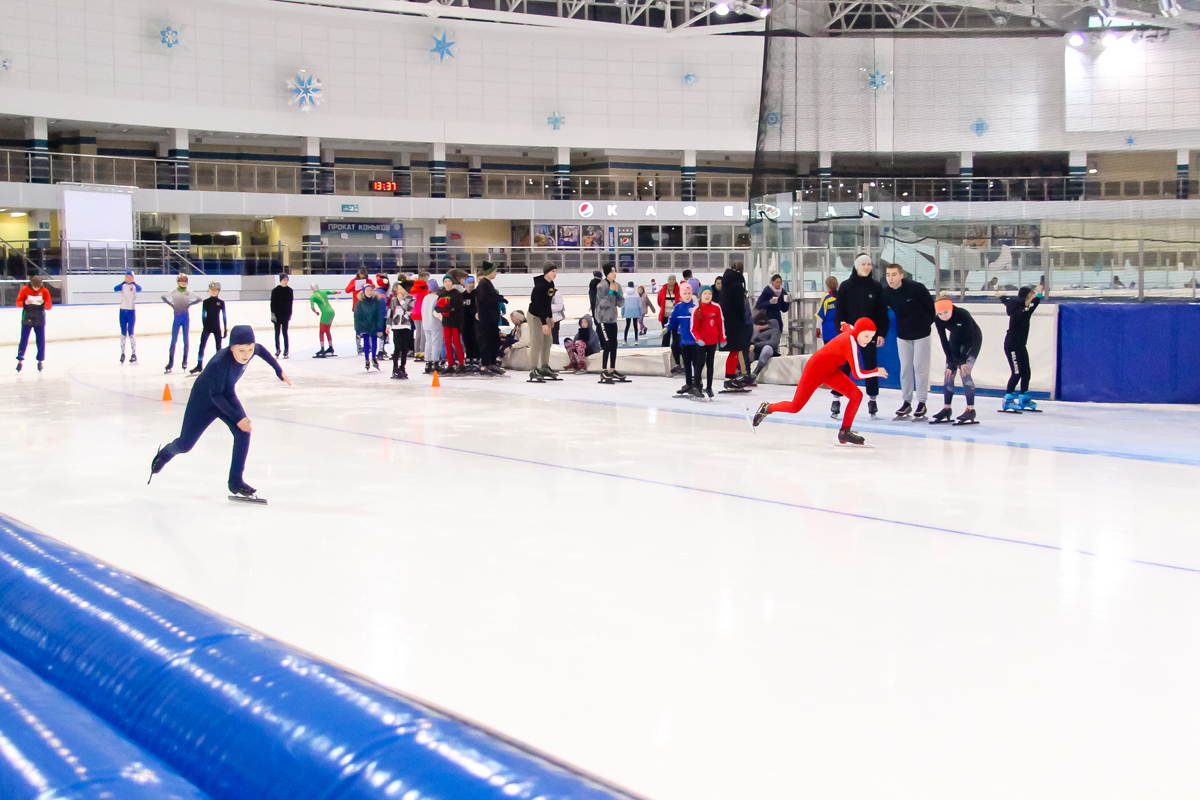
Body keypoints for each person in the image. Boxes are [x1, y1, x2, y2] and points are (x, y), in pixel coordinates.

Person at [149, 325, 291, 500]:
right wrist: (238, 418)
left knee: (243, 433)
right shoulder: (219, 363)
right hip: (203, 401)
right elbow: (215, 396)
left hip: (226, 394)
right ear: (231, 348)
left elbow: (262, 351)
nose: (246, 355)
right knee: (185, 445)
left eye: (249, 349)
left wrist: (279, 371)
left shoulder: (252, 349)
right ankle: (164, 454)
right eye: (241, 350)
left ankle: (235, 482)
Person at [751, 317, 888, 447]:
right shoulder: (850, 342)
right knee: (795, 407)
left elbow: (850, 327)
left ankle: (844, 432)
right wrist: (876, 371)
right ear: (858, 333)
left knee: (856, 395)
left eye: (871, 337)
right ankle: (767, 408)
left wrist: (845, 325)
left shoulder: (853, 332)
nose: (868, 340)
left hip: (830, 371)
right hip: (815, 371)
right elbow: (858, 374)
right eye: (866, 336)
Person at [835, 254, 889, 419]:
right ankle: (836, 398)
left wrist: (881, 333)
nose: (866, 267)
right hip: (849, 334)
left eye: (869, 264)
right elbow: (839, 311)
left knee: (870, 365)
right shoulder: (845, 286)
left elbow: (882, 313)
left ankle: (872, 399)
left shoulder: (876, 287)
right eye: (863, 264)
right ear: (856, 266)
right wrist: (841, 332)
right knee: (845, 365)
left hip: (869, 335)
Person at [883, 264, 936, 420]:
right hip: (903, 335)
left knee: (920, 368)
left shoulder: (917, 288)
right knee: (905, 369)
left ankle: (922, 402)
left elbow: (930, 309)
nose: (890, 278)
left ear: (901, 275)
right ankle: (906, 401)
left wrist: (924, 325)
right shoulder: (886, 292)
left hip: (921, 334)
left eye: (893, 275)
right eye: (888, 275)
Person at [932, 296, 983, 425]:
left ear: (951, 309)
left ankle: (970, 410)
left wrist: (962, 361)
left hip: (972, 341)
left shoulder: (963, 314)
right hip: (955, 340)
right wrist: (950, 361)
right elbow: (944, 341)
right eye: (940, 314)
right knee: (949, 373)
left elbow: (971, 337)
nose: (943, 316)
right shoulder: (938, 319)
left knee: (964, 372)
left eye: (946, 312)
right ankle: (946, 408)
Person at [1000, 284, 1043, 412]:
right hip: (1012, 345)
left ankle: (1024, 398)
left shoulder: (1023, 307)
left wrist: (1001, 296)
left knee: (1026, 372)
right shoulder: (1020, 311)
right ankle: (1008, 399)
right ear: (1026, 298)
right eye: (1032, 296)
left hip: (1021, 345)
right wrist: (1038, 294)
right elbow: (1032, 305)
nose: (1033, 299)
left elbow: (1006, 300)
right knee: (1017, 372)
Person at [815, 276, 844, 416]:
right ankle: (837, 380)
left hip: (828, 331)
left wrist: (817, 328)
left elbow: (820, 315)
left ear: (827, 285)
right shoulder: (841, 298)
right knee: (838, 358)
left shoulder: (826, 298)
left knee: (828, 358)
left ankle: (829, 380)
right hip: (839, 331)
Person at [690, 286, 725, 399]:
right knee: (700, 363)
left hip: (712, 341)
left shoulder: (716, 307)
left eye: (709, 294)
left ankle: (709, 387)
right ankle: (696, 387)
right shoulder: (696, 310)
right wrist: (698, 339)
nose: (707, 296)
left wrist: (723, 338)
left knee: (710, 364)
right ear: (700, 295)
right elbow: (693, 328)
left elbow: (720, 323)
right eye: (705, 293)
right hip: (701, 342)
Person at [719, 262, 750, 389]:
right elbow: (739, 306)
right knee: (735, 350)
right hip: (735, 322)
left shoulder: (726, 283)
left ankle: (730, 376)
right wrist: (742, 320)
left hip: (727, 321)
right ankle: (729, 377)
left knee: (734, 351)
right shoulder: (737, 285)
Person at [162, 273, 201, 374]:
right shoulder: (173, 292)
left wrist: (190, 304)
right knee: (174, 340)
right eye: (181, 281)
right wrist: (171, 304)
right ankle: (170, 362)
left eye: (185, 281)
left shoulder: (189, 292)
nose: (183, 283)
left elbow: (199, 299)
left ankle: (184, 361)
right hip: (177, 318)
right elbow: (163, 296)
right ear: (178, 282)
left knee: (186, 340)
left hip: (185, 318)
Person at [664, 283, 697, 395]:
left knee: (696, 363)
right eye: (685, 293)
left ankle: (697, 384)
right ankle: (688, 384)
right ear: (681, 295)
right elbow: (673, 320)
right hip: (684, 340)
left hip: (696, 340)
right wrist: (667, 328)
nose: (687, 295)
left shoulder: (696, 307)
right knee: (686, 363)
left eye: (689, 293)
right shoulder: (678, 307)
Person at [526, 265, 558, 382]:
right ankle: (534, 368)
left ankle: (544, 366)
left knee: (548, 341)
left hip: (544, 315)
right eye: (553, 271)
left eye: (556, 271)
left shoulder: (551, 284)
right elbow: (539, 305)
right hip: (535, 315)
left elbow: (548, 303)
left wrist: (550, 317)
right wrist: (544, 323)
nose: (555, 273)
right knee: (537, 342)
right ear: (546, 272)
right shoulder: (539, 287)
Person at [14, 274, 51, 372]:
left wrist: (43, 303)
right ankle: (20, 359)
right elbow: (17, 303)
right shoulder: (24, 290)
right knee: (23, 340)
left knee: (40, 341)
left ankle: (40, 360)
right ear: (31, 284)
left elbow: (49, 306)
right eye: (35, 287)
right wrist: (24, 303)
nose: (36, 289)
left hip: (39, 319)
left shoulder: (45, 291)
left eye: (38, 287)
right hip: (27, 318)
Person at [191, 280, 227, 375]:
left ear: (218, 291)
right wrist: (204, 325)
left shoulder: (221, 302)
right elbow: (203, 315)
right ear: (209, 290)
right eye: (212, 290)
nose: (213, 292)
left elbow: (224, 316)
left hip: (216, 327)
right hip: (207, 327)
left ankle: (219, 364)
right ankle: (199, 365)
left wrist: (225, 329)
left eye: (215, 290)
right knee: (202, 346)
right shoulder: (206, 302)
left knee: (218, 347)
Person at [474, 262, 504, 374]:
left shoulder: (487, 283)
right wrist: (497, 299)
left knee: (494, 341)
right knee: (487, 341)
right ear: (490, 272)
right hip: (487, 319)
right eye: (494, 271)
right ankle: (486, 364)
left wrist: (498, 297)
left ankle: (491, 363)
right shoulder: (483, 284)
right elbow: (486, 300)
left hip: (491, 318)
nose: (495, 273)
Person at [594, 274, 625, 383]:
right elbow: (603, 304)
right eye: (612, 272)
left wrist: (617, 292)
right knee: (607, 345)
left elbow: (620, 303)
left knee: (614, 344)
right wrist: (611, 291)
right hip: (603, 319)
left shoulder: (617, 285)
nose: (614, 274)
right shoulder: (601, 286)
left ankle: (612, 369)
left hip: (612, 319)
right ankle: (603, 370)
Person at [436, 272, 467, 374]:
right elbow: (437, 307)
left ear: (452, 282)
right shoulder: (442, 294)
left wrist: (460, 323)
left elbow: (460, 309)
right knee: (447, 344)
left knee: (457, 343)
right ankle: (450, 364)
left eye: (449, 281)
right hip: (446, 322)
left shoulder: (457, 294)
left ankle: (461, 364)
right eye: (445, 281)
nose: (447, 283)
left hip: (455, 322)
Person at [355, 282, 385, 371]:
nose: (369, 292)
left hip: (374, 325)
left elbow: (380, 315)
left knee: (374, 342)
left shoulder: (377, 301)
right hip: (364, 325)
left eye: (371, 290)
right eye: (367, 290)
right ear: (364, 292)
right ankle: (367, 359)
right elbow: (357, 316)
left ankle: (374, 357)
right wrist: (357, 330)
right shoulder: (360, 302)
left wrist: (380, 328)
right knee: (366, 343)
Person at [388, 280, 415, 379]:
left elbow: (408, 311)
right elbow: (390, 312)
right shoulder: (394, 299)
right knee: (397, 347)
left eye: (400, 288)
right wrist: (388, 325)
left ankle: (402, 367)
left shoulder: (411, 299)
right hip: (396, 326)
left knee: (404, 348)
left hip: (405, 326)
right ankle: (395, 368)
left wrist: (402, 301)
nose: (398, 290)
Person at [113, 271, 141, 364]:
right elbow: (115, 288)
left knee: (131, 333)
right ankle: (122, 353)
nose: (128, 279)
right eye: (126, 277)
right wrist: (123, 282)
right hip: (122, 311)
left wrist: (133, 282)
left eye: (130, 277)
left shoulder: (134, 286)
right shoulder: (123, 285)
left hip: (131, 311)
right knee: (123, 333)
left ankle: (134, 354)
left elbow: (140, 288)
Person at [657, 274, 683, 376]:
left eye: (673, 279)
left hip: (676, 317)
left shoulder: (679, 290)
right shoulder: (663, 290)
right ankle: (664, 357)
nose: (672, 281)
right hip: (665, 316)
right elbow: (659, 301)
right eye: (670, 279)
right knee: (666, 337)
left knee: (676, 337)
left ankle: (677, 360)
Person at [345, 268, 374, 354]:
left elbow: (373, 288)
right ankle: (359, 346)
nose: (362, 276)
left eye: (363, 275)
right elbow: (347, 290)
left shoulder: (369, 281)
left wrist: (367, 286)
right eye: (361, 275)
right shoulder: (353, 281)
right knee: (358, 327)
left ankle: (369, 345)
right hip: (357, 307)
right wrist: (355, 285)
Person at [748, 309, 780, 382]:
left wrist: (756, 345)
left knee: (767, 348)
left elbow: (773, 343)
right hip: (755, 351)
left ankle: (756, 371)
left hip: (768, 351)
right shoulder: (755, 332)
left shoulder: (774, 331)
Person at [309, 284, 339, 357]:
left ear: (312, 288)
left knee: (322, 332)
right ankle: (331, 347)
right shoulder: (324, 291)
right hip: (331, 311)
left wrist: (316, 312)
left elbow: (312, 307)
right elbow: (332, 292)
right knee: (327, 331)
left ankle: (322, 349)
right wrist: (337, 292)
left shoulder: (313, 297)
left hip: (325, 313)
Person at [270, 274, 294, 358]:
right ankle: (277, 349)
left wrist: (290, 313)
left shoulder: (290, 290)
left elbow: (290, 303)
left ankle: (286, 350)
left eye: (287, 280)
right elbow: (272, 303)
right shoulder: (275, 290)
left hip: (285, 315)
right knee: (277, 333)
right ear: (280, 280)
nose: (286, 281)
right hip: (277, 314)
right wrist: (273, 314)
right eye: (284, 280)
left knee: (285, 333)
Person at [420, 286, 443, 373]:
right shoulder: (437, 298)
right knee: (436, 343)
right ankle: (435, 362)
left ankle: (428, 362)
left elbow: (422, 310)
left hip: (426, 323)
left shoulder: (425, 298)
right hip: (435, 323)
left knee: (428, 343)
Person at [411, 272, 430, 360]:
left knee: (418, 332)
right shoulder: (424, 288)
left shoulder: (414, 287)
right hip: (422, 312)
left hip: (415, 312)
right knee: (423, 333)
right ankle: (422, 351)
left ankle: (416, 351)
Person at [462, 275, 480, 369]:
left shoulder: (476, 294)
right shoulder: (462, 296)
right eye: (469, 283)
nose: (472, 284)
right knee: (467, 339)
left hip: (475, 322)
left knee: (476, 339)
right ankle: (469, 356)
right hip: (465, 322)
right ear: (466, 284)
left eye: (473, 283)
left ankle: (477, 356)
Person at [550, 280, 565, 346]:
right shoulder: (541, 292)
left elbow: (559, 306)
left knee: (554, 339)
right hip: (545, 319)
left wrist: (547, 308)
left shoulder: (556, 293)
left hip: (555, 319)